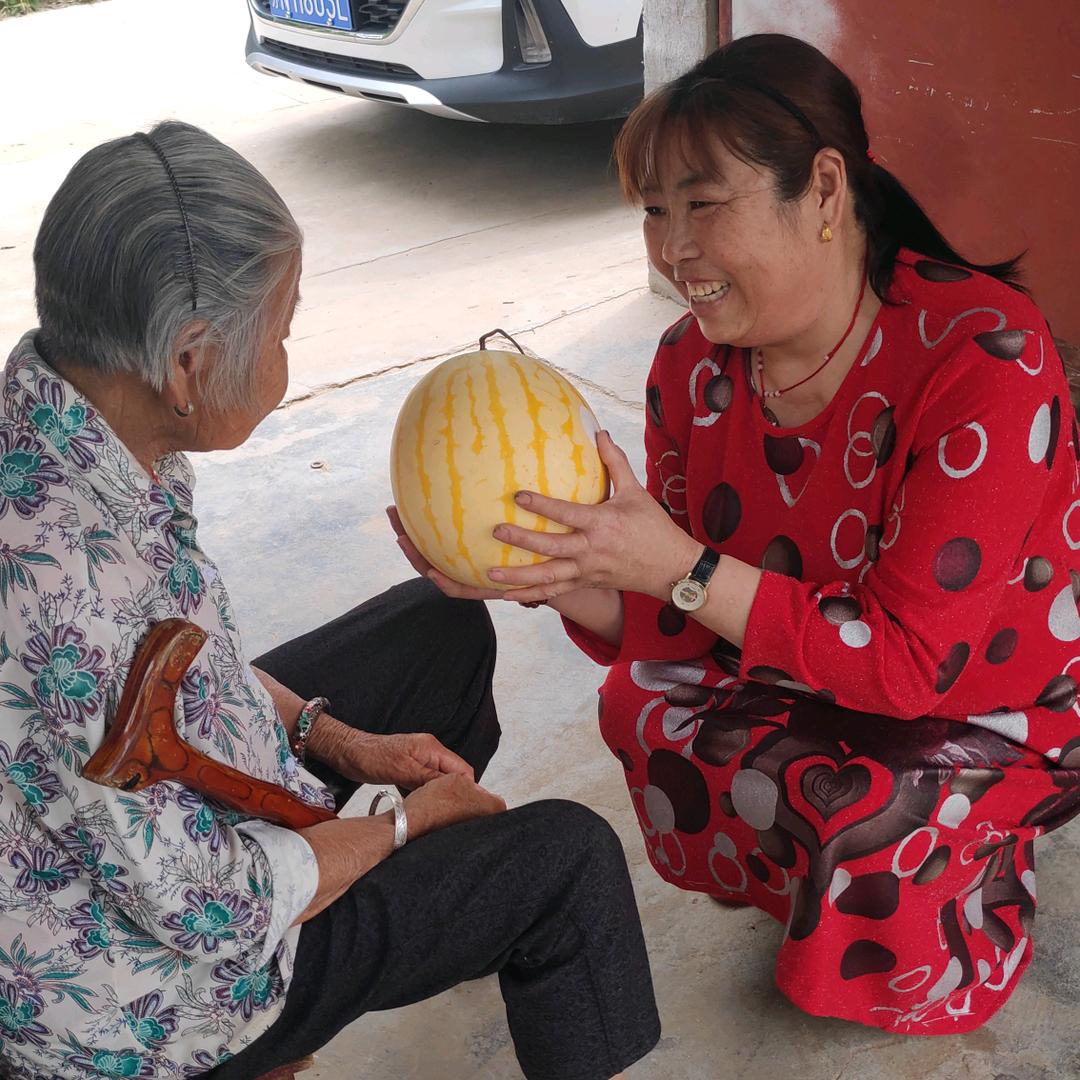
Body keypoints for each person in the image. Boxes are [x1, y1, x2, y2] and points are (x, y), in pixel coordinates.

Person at [391, 34, 1080, 1034]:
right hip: (810, 656)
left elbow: (912, 670)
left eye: (704, 205)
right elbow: (670, 622)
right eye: (654, 213)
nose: (673, 249)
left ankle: (968, 911)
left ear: (827, 191)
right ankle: (812, 887)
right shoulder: (693, 369)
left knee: (869, 798)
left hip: (994, 697)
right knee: (647, 704)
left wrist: (677, 564)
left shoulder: (984, 359)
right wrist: (548, 573)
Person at [0, 120, 661, 1080]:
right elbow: (206, 907)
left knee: (439, 628)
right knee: (567, 863)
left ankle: (420, 909)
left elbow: (187, 663)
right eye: (280, 329)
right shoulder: (64, 584)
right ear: (189, 362)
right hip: (149, 996)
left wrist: (336, 738)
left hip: (168, 817)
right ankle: (282, 1031)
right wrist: (403, 828)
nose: (286, 356)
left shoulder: (77, 422)